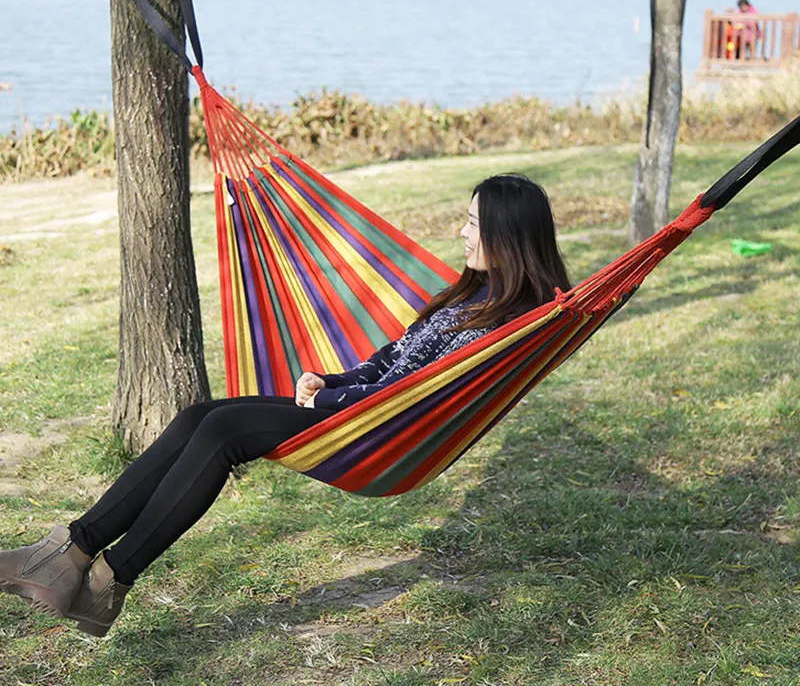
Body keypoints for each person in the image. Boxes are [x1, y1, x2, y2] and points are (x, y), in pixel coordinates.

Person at [0, 174, 570, 637]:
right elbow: (395, 358)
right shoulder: (475, 292)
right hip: (360, 410)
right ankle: (71, 554)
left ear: (504, 233)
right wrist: (334, 377)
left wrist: (335, 399)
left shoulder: (506, 322)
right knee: (202, 415)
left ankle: (106, 582)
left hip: (375, 433)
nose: (460, 232)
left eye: (471, 222)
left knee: (222, 431)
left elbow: (419, 393)